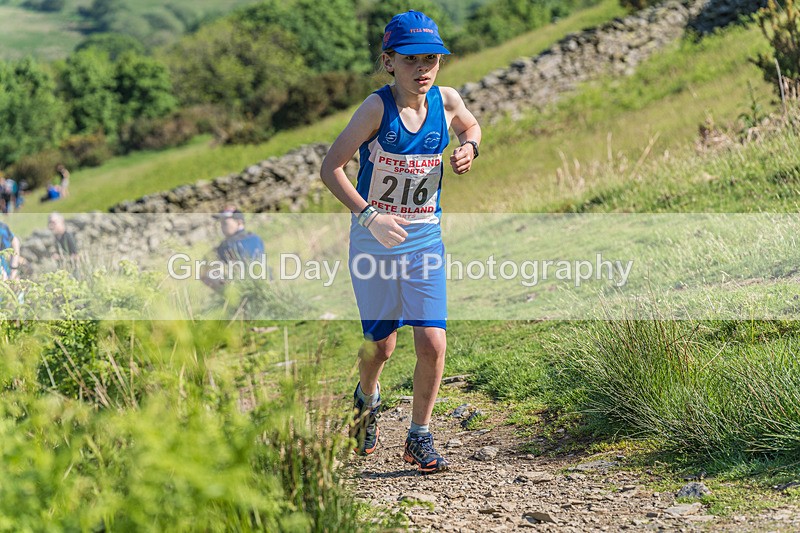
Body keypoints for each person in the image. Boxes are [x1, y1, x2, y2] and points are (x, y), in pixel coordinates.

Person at [320, 10, 481, 474]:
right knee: (382, 346)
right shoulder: (377, 109)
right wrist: (369, 217)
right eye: (410, 59)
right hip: (374, 245)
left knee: (432, 341)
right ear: (389, 62)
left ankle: (419, 436)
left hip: (425, 239)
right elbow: (331, 168)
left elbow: (470, 126)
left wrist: (469, 147)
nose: (422, 68)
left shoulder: (447, 101)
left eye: (431, 58)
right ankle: (366, 399)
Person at [201, 205, 267, 291]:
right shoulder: (255, 238)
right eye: (221, 223)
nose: (222, 227)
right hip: (262, 284)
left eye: (225, 223)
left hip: (247, 288)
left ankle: (226, 295)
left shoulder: (230, 244)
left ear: (239, 222)